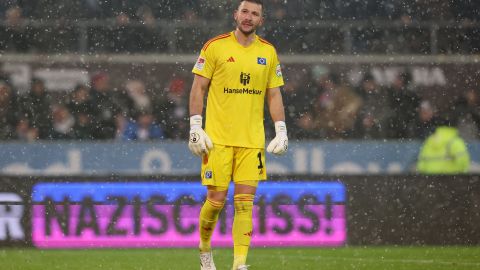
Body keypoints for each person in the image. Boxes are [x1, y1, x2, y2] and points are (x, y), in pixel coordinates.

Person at [188, 1, 288, 269]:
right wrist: (195, 127)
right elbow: (198, 87)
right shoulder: (215, 46)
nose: (248, 17)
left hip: (251, 141)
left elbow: (274, 93)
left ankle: (239, 264)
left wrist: (281, 129)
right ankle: (205, 250)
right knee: (216, 201)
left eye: (254, 13)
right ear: (235, 15)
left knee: (245, 204)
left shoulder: (268, 52)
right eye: (245, 12)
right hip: (218, 140)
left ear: (261, 20)